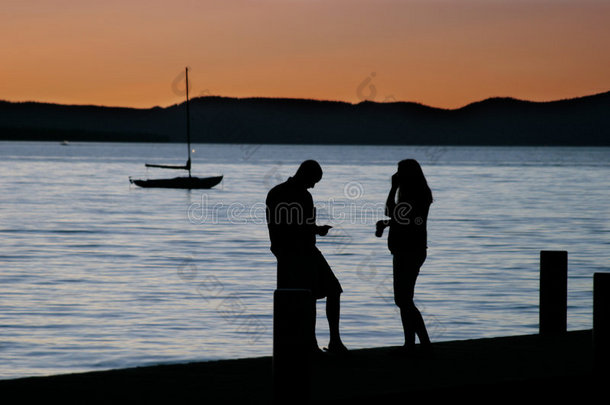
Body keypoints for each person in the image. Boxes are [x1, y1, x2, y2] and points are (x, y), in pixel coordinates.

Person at [266, 160, 348, 354]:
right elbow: (300, 226)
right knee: (326, 292)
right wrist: (318, 230)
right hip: (301, 252)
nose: (313, 186)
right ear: (306, 175)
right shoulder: (303, 196)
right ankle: (325, 342)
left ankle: (313, 342)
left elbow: (279, 226)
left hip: (288, 252)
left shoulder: (276, 192)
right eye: (314, 181)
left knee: (314, 296)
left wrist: (315, 230)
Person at [376, 159, 432, 354]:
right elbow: (401, 217)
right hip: (404, 249)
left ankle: (423, 343)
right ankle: (411, 343)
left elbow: (397, 213)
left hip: (410, 250)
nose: (397, 175)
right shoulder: (413, 194)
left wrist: (392, 188)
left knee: (404, 299)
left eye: (400, 172)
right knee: (403, 299)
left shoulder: (419, 194)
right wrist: (388, 224)